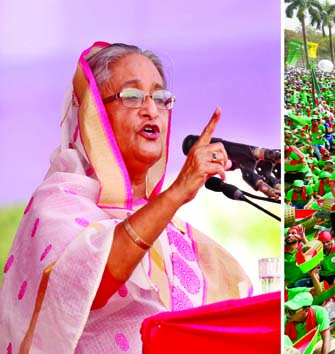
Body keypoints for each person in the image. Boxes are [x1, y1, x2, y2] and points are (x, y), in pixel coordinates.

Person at [0, 43, 254, 352]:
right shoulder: (56, 204)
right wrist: (178, 191)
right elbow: (86, 285)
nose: (151, 109)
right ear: (93, 114)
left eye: (160, 98)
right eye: (132, 96)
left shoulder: (176, 234)